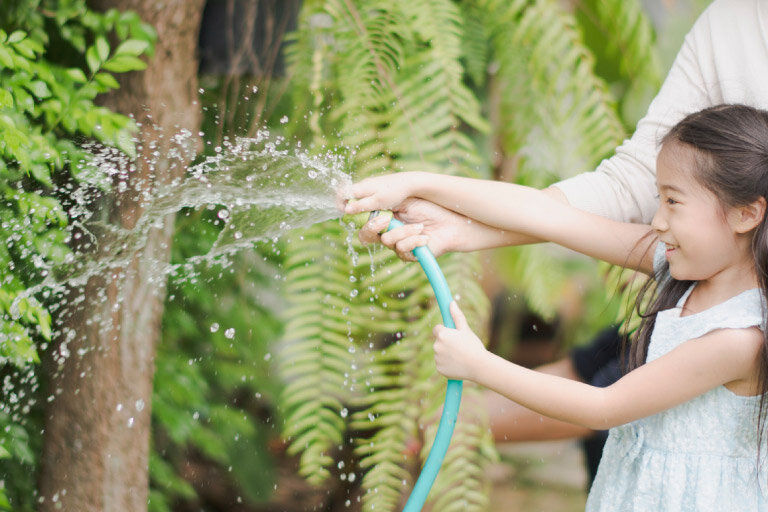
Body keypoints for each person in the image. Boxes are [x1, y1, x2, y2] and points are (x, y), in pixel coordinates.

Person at [345, 104, 768, 510]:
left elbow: (604, 407)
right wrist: (418, 185)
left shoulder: (738, 339)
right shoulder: (679, 267)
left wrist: (479, 365)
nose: (656, 220)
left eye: (673, 202)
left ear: (746, 214)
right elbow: (550, 216)